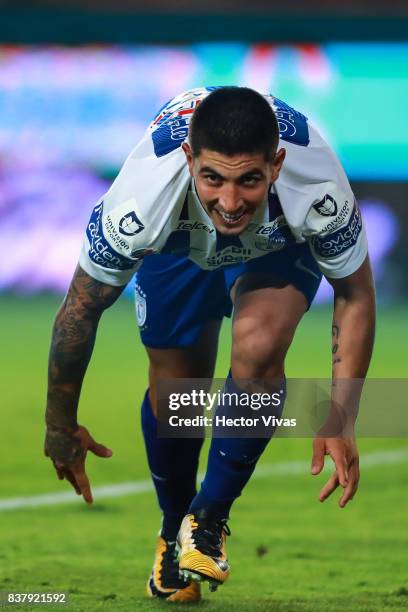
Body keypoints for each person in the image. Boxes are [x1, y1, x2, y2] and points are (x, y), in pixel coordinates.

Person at [44, 87, 375, 603]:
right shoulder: (140, 201)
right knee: (178, 397)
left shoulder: (318, 188)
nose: (229, 200)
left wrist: (343, 414)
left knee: (260, 344)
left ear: (278, 164)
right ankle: (174, 528)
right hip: (178, 241)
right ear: (188, 160)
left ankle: (209, 520)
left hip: (276, 244)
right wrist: (59, 424)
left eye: (249, 180)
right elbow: (79, 310)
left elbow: (355, 293)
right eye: (213, 177)